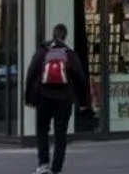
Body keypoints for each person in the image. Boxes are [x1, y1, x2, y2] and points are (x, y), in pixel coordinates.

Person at [22, 23, 89, 174]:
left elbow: (31, 73)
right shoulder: (70, 54)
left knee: (42, 130)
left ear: (53, 34)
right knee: (60, 134)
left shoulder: (42, 51)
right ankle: (56, 168)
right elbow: (80, 78)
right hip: (64, 100)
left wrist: (29, 97)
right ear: (65, 36)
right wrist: (83, 101)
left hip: (43, 98)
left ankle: (43, 164)